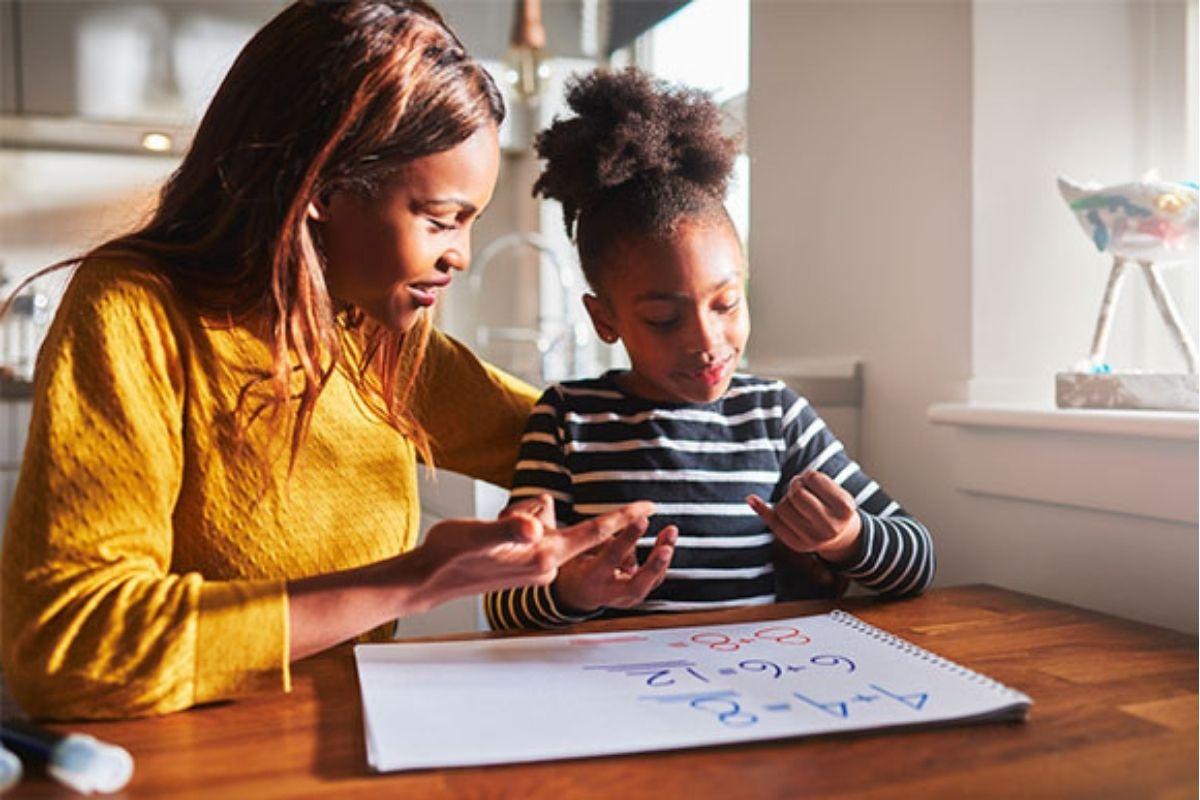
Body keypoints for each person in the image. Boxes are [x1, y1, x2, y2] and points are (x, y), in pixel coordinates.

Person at [0, 1, 657, 720]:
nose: (460, 256)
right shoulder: (133, 310)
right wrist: (415, 580)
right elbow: (67, 648)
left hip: (354, 738)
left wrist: (773, 464)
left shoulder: (376, 333)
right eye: (440, 219)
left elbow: (584, 444)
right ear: (324, 186)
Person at [485, 69, 936, 630]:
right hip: (610, 695)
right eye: (663, 319)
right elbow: (502, 601)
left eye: (726, 304)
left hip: (749, 691)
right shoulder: (566, 418)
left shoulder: (774, 416)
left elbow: (918, 560)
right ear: (605, 319)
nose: (705, 341)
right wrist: (571, 591)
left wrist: (849, 539)